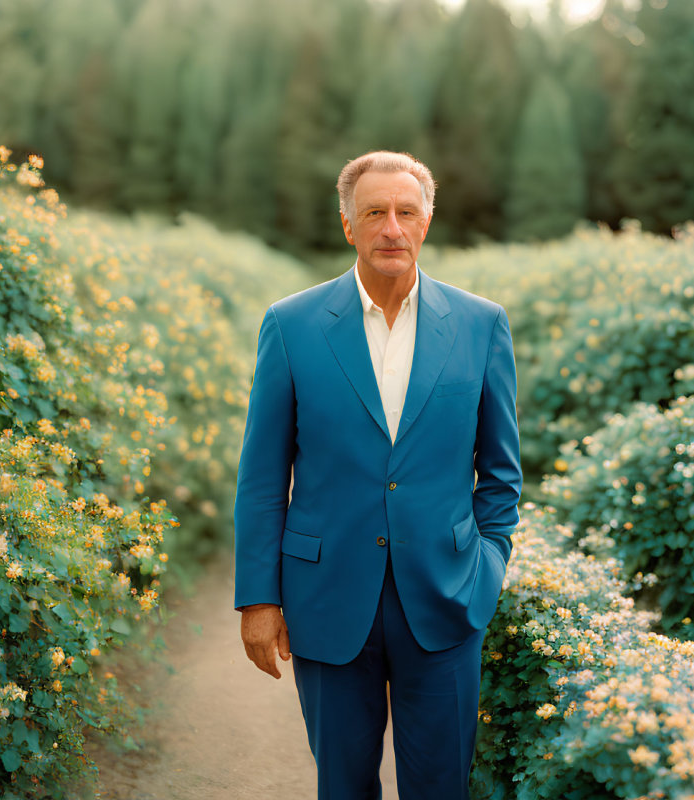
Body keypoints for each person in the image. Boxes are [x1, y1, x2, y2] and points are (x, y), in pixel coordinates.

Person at [233, 150, 522, 800]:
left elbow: (501, 474)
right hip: (326, 597)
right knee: (343, 787)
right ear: (348, 225)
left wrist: (487, 567)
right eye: (374, 212)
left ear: (426, 222)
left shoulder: (481, 325)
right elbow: (261, 476)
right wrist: (258, 597)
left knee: (441, 787)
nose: (391, 227)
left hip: (447, 599)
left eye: (406, 212)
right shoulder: (290, 325)